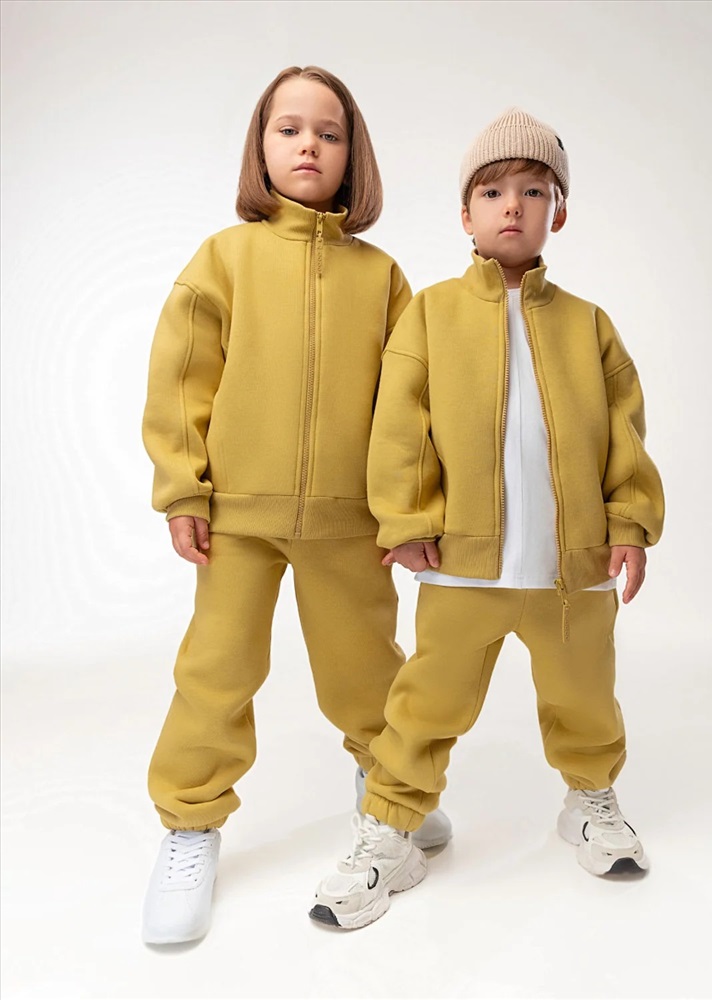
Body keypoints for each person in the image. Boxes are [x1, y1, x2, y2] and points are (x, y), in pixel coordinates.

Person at [310, 108, 665, 930]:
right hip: (462, 566)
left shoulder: (588, 324)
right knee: (425, 706)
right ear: (465, 215)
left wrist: (628, 525)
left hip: (571, 571)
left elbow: (625, 434)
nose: (514, 206)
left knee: (586, 696)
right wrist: (405, 519)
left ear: (557, 214)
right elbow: (399, 428)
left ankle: (591, 799)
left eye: (534, 192)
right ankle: (391, 831)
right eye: (494, 191)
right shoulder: (431, 314)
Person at [141, 65, 451, 945]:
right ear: (261, 147)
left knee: (368, 672)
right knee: (217, 672)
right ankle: (190, 826)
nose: (308, 144)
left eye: (328, 131)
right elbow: (182, 380)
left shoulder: (383, 277)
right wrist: (182, 487)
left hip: (352, 521)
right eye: (288, 129)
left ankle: (390, 794)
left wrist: (408, 513)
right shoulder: (224, 259)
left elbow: (409, 408)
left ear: (354, 155)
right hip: (236, 518)